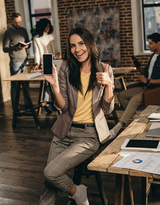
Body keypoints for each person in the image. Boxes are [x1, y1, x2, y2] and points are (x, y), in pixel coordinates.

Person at [39, 27, 115, 205]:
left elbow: (107, 110)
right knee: (48, 183)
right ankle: (76, 192)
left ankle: (77, 192)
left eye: (81, 44)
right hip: (63, 131)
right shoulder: (66, 68)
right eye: (73, 46)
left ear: (89, 44)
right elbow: (62, 106)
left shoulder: (104, 69)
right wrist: (55, 86)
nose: (77, 49)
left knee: (51, 173)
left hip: (88, 136)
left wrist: (109, 85)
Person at [113, 32, 160, 135]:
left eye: (151, 43)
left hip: (154, 90)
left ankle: (119, 125)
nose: (148, 45)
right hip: (145, 86)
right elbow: (145, 72)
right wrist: (138, 66)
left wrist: (147, 80)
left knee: (135, 99)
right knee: (121, 95)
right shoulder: (153, 56)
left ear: (159, 43)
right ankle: (135, 118)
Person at [33, 18, 61, 114]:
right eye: (46, 26)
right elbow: (37, 52)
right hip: (44, 63)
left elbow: (56, 49)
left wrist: (58, 54)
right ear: (42, 27)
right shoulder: (36, 38)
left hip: (53, 62)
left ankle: (56, 103)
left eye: (49, 26)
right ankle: (46, 105)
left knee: (55, 83)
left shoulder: (51, 36)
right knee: (46, 85)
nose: (48, 28)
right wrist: (36, 63)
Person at [3, 12, 31, 111]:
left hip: (25, 61)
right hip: (15, 62)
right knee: (15, 85)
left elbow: (28, 42)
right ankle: (15, 106)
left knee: (26, 84)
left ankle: (28, 105)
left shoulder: (23, 30)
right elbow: (5, 49)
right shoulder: (8, 32)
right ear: (12, 21)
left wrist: (28, 45)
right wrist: (16, 48)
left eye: (19, 22)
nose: (18, 24)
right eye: (16, 22)